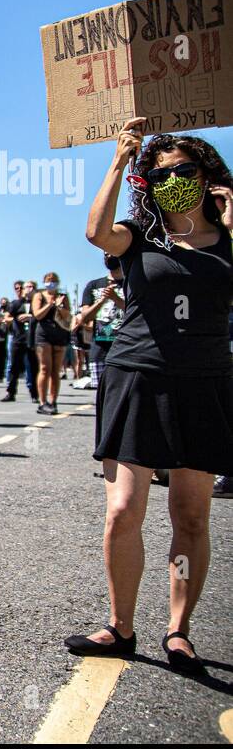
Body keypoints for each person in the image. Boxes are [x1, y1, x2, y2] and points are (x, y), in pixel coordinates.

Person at [66, 119, 233, 675]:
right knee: (122, 511)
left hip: (205, 382)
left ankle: (178, 631)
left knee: (190, 515)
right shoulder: (141, 238)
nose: (173, 182)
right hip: (137, 376)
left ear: (209, 176)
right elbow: (96, 232)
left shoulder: (230, 239)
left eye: (184, 171)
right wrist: (120, 160)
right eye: (161, 176)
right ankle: (120, 626)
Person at [76, 254, 125, 391]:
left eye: (110, 251)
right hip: (100, 347)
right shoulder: (94, 285)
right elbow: (85, 317)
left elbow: (137, 311)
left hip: (125, 346)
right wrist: (102, 300)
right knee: (101, 395)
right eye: (105, 253)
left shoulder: (131, 282)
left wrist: (115, 298)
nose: (108, 255)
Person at [32, 270, 71, 414]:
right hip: (43, 335)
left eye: (54, 280)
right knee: (44, 368)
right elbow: (37, 314)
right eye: (48, 280)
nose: (51, 283)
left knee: (56, 370)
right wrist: (50, 304)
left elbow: (67, 315)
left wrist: (60, 306)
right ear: (44, 282)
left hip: (59, 334)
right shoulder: (39, 295)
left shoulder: (63, 296)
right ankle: (42, 402)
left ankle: (53, 401)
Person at [1, 280, 39, 403]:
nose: (28, 289)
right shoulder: (16, 303)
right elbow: (7, 317)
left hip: (32, 339)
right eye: (26, 287)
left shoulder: (37, 302)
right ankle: (10, 392)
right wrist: (15, 319)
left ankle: (34, 394)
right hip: (18, 338)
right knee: (13, 367)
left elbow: (41, 315)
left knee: (33, 367)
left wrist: (30, 317)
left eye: (31, 287)